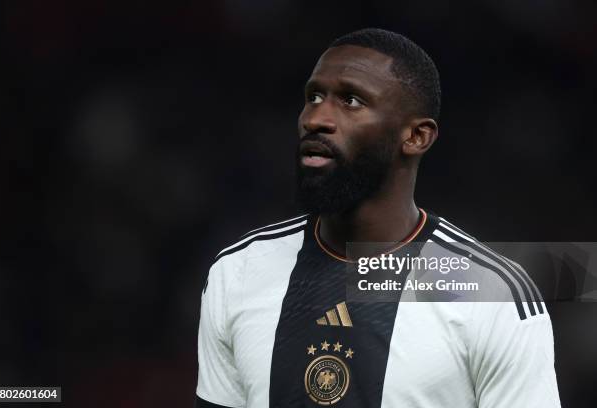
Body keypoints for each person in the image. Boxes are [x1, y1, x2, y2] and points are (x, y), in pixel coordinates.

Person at [196, 28, 560, 407]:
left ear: (417, 136)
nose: (316, 118)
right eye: (313, 97)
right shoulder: (237, 272)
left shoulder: (491, 293)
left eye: (351, 101)